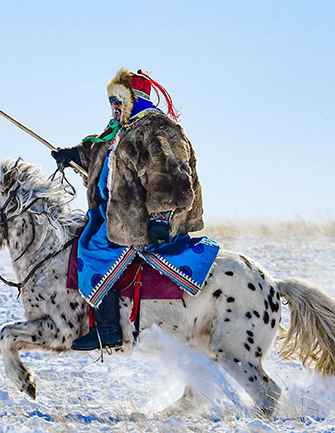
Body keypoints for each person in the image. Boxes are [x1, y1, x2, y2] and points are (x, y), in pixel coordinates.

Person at [51, 69, 217, 351]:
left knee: (93, 249)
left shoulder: (155, 128)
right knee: (85, 235)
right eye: (111, 102)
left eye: (117, 101)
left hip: (139, 220)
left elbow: (167, 175)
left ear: (132, 99)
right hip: (112, 213)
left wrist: (161, 217)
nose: (113, 108)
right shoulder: (122, 130)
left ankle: (108, 329)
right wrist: (74, 155)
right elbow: (100, 154)